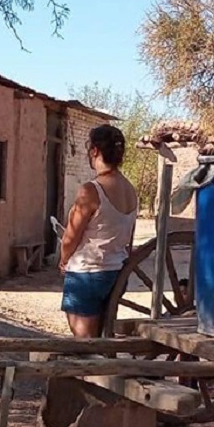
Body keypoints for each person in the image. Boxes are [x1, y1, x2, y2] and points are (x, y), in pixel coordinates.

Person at [58, 125, 138, 338]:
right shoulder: (130, 190)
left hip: (87, 273)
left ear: (94, 151)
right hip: (116, 272)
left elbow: (70, 237)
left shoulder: (91, 190)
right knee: (102, 337)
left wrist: (64, 260)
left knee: (84, 344)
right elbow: (128, 238)